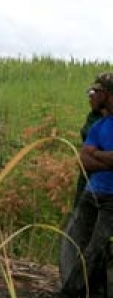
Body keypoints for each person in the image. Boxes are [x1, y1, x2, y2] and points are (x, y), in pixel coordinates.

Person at [60, 72, 113, 298]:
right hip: (91, 192)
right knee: (76, 243)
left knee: (96, 248)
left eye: (95, 92)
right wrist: (107, 158)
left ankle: (69, 293)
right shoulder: (98, 124)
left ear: (107, 94)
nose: (90, 96)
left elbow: (92, 157)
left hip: (111, 198)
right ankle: (89, 291)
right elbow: (83, 159)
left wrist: (96, 155)